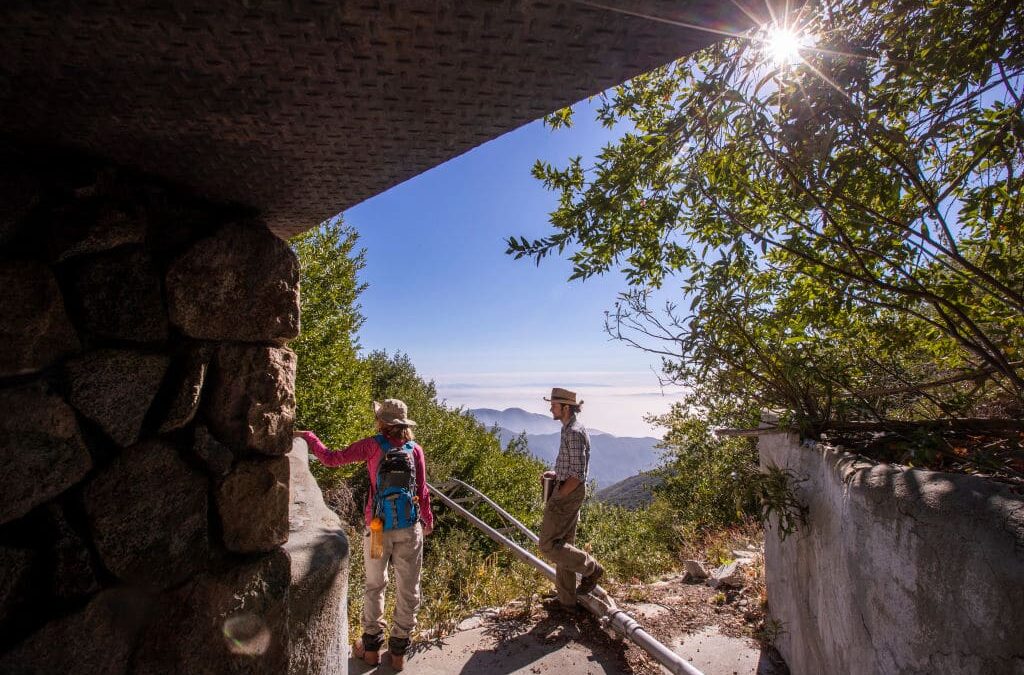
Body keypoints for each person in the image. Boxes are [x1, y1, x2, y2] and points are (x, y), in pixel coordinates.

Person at [297, 399, 433, 671]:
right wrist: (426, 521)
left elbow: (331, 459)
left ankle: (370, 650)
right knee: (408, 589)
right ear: (404, 424)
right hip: (409, 529)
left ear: (382, 422)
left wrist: (309, 437)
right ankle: (398, 654)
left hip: (377, 528)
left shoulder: (372, 445)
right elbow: (422, 489)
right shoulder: (414, 450)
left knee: (375, 585)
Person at [538, 387, 604, 612]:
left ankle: (591, 568)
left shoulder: (574, 432)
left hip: (567, 494)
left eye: (554, 405)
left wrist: (559, 494)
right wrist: (555, 475)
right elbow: (572, 469)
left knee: (547, 545)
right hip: (567, 489)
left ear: (566, 408)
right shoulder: (569, 429)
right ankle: (567, 602)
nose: (550, 408)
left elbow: (578, 475)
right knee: (563, 546)